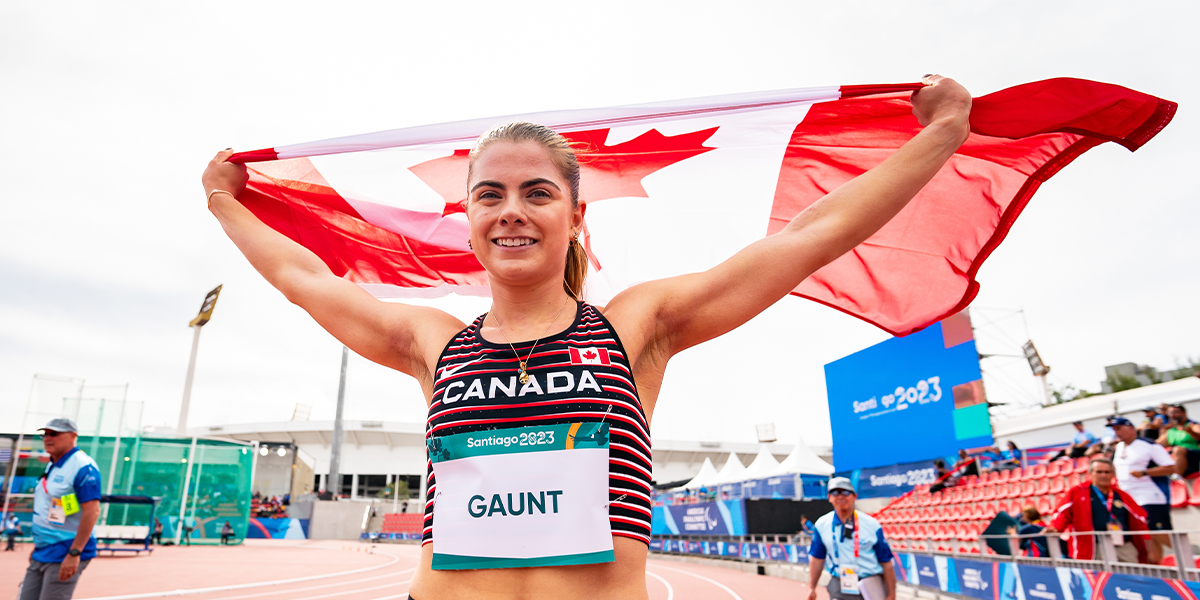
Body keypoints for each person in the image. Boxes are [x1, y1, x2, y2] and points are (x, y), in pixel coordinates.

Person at [202, 75, 971, 599]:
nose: (512, 210)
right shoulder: (430, 343)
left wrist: (943, 133)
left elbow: (813, 234)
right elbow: (305, 279)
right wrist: (221, 201)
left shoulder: (639, 327)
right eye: (489, 195)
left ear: (575, 217)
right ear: (467, 221)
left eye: (538, 193)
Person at [19, 418, 102, 600]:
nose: (48, 438)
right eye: (45, 434)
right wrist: (39, 544)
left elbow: (92, 511)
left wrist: (75, 552)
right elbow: (68, 506)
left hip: (66, 549)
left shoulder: (83, 467)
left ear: (73, 436)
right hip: (44, 549)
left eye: (54, 434)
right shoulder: (53, 465)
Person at [1046, 457, 1154, 564]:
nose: (1103, 475)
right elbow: (1062, 514)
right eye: (1099, 472)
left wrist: (1148, 544)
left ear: (1113, 474)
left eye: (1107, 472)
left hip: (1123, 546)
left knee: (1132, 578)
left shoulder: (1122, 495)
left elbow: (1140, 519)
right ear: (1091, 474)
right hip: (1093, 547)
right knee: (1096, 580)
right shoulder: (1077, 493)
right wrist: (1055, 527)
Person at [807, 478, 896, 600]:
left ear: (854, 496)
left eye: (845, 492)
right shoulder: (822, 525)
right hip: (839, 584)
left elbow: (886, 562)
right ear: (829, 497)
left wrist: (891, 594)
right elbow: (817, 559)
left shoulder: (872, 524)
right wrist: (812, 588)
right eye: (835, 492)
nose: (840, 496)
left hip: (870, 584)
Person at [1109, 416, 1176, 560]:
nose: (1116, 432)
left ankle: (1186, 556)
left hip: (1150, 496)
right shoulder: (1119, 447)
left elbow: (1171, 467)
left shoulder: (1149, 445)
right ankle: (1157, 568)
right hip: (1129, 498)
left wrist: (1145, 472)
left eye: (1119, 429)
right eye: (1114, 430)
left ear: (1131, 429)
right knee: (1147, 537)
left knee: (1158, 531)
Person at [1158, 405, 1200, 477]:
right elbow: (1157, 443)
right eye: (1169, 413)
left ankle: (1177, 477)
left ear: (1183, 413)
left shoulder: (1193, 425)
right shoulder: (1171, 431)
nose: (1172, 415)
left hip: (1194, 457)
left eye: (1174, 412)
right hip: (1177, 458)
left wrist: (1191, 432)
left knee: (1178, 450)